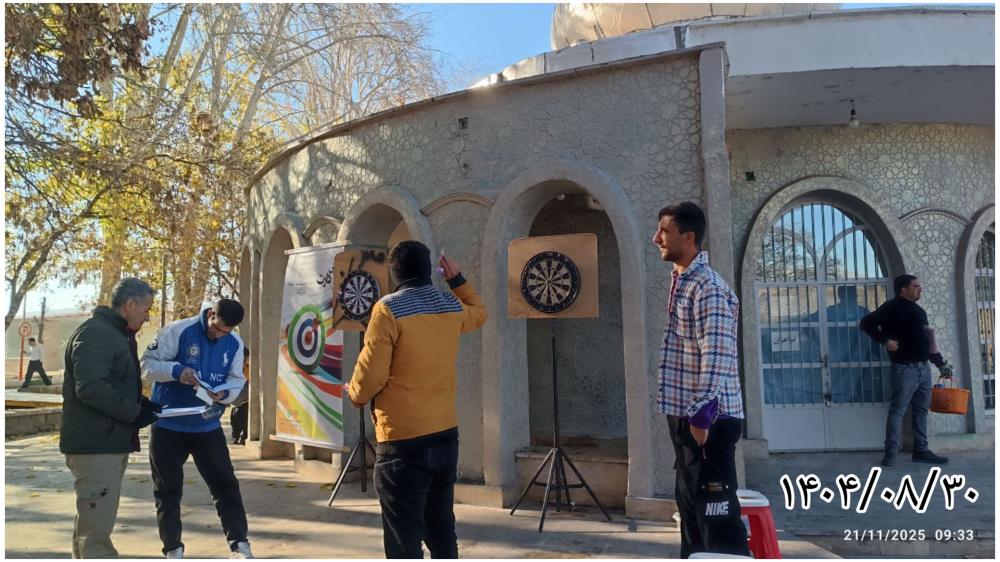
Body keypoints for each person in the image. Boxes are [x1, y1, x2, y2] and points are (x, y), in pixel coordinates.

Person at [347, 241, 487, 559]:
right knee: (441, 530)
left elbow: (371, 375)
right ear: (428, 269)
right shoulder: (450, 305)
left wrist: (355, 393)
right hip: (445, 436)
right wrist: (457, 280)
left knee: (403, 541)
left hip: (402, 442)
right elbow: (480, 313)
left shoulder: (387, 309)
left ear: (394, 272)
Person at [652, 202, 751, 558]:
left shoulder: (708, 287)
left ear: (688, 237)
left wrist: (700, 418)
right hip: (688, 417)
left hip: (708, 421)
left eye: (664, 231)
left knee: (716, 519)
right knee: (693, 512)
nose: (656, 238)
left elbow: (717, 356)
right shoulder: (684, 281)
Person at [140, 299, 252, 559]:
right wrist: (176, 371)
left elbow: (237, 379)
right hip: (168, 425)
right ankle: (172, 549)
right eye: (217, 329)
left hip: (207, 426)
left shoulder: (234, 344)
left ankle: (239, 545)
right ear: (211, 314)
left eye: (225, 332)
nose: (219, 336)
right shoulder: (178, 331)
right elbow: (146, 365)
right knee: (167, 490)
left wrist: (225, 393)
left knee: (226, 486)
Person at [60, 277, 161, 559]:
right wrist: (134, 413)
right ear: (130, 304)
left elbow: (112, 384)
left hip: (107, 442)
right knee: (96, 531)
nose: (147, 317)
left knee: (92, 525)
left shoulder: (113, 333)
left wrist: (142, 405)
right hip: (95, 446)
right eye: (146, 309)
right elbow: (91, 388)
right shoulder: (98, 333)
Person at [860, 275, 954, 467]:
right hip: (904, 370)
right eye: (916, 286)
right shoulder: (891, 307)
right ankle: (890, 454)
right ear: (904, 289)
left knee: (921, 411)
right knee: (897, 411)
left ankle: (920, 451)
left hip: (923, 369)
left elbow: (928, 341)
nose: (920, 289)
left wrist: (941, 364)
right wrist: (885, 341)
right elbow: (866, 323)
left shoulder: (919, 311)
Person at [230, 347, 250, 445]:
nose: (242, 363)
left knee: (243, 419)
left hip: (244, 402)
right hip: (234, 403)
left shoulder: (248, 370)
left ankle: (244, 436)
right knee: (234, 421)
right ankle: (236, 436)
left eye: (245, 361)